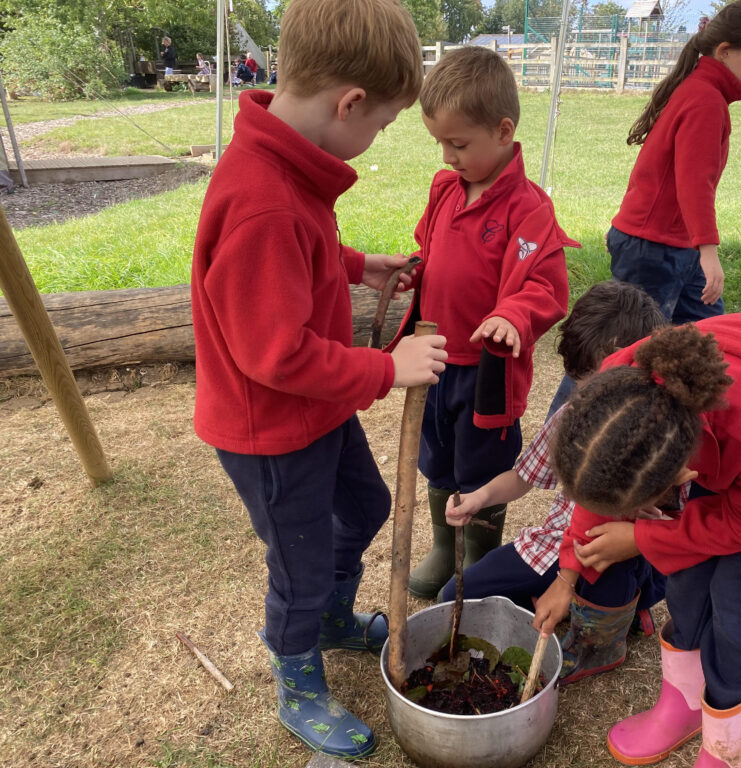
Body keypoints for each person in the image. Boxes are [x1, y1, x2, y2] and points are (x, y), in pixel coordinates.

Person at [190, 0, 446, 760]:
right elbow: (276, 354)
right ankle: (297, 678)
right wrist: (386, 368)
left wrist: (357, 266)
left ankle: (330, 620)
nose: (374, 140)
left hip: (314, 413)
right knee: (298, 560)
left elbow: (305, 250)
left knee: (362, 504)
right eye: (382, 125)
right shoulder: (262, 199)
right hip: (270, 429)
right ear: (351, 103)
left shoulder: (283, 166)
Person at [534, 313, 741, 767]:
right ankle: (684, 706)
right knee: (688, 577)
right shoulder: (623, 390)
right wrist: (567, 575)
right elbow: (598, 480)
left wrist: (643, 537)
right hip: (729, 433)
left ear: (682, 474)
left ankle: (725, 751)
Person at [387, 45, 576, 600]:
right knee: (437, 457)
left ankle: (478, 558)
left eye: (458, 144)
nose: (447, 156)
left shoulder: (529, 208)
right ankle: (445, 548)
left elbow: (546, 285)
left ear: (503, 130)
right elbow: (432, 249)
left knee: (482, 461)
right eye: (439, 143)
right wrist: (414, 272)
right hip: (434, 359)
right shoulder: (446, 189)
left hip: (486, 375)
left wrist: (512, 315)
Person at [441, 280, 669, 684]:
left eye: (601, 383)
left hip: (616, 550)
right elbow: (524, 476)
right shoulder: (573, 416)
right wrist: (479, 498)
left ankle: (612, 628)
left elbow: (680, 524)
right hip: (553, 544)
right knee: (453, 598)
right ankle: (608, 607)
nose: (588, 396)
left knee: (610, 572)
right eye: (582, 384)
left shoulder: (666, 430)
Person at [607, 0, 741, 324]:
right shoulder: (705, 100)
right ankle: (586, 378)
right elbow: (694, 183)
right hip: (654, 248)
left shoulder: (704, 93)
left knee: (708, 339)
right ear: (725, 51)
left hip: (673, 244)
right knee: (625, 349)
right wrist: (709, 251)